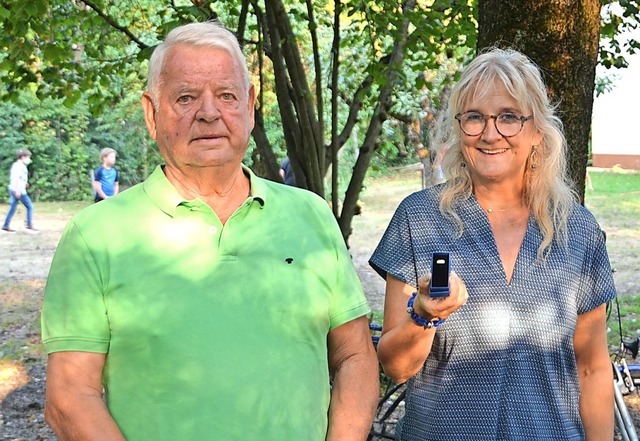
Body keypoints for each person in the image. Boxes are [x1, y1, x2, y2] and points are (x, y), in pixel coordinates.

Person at [41, 21, 378, 441]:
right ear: (151, 112)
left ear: (251, 106)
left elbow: (355, 357)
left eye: (226, 95)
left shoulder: (311, 216)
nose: (209, 112)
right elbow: (70, 396)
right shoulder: (97, 236)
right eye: (185, 97)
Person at [369, 48, 615, 440]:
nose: (489, 133)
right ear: (458, 128)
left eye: (508, 117)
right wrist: (423, 315)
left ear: (537, 131)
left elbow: (593, 369)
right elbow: (395, 367)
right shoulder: (419, 218)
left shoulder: (578, 231)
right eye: (474, 118)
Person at [2, 149, 38, 234]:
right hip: (18, 190)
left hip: (15, 188)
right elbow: (16, 178)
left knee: (12, 208)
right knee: (30, 206)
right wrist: (18, 190)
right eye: (28, 157)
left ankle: (5, 226)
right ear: (22, 157)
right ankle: (29, 226)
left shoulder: (18, 165)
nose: (29, 159)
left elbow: (20, 178)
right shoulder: (18, 166)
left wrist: (25, 183)